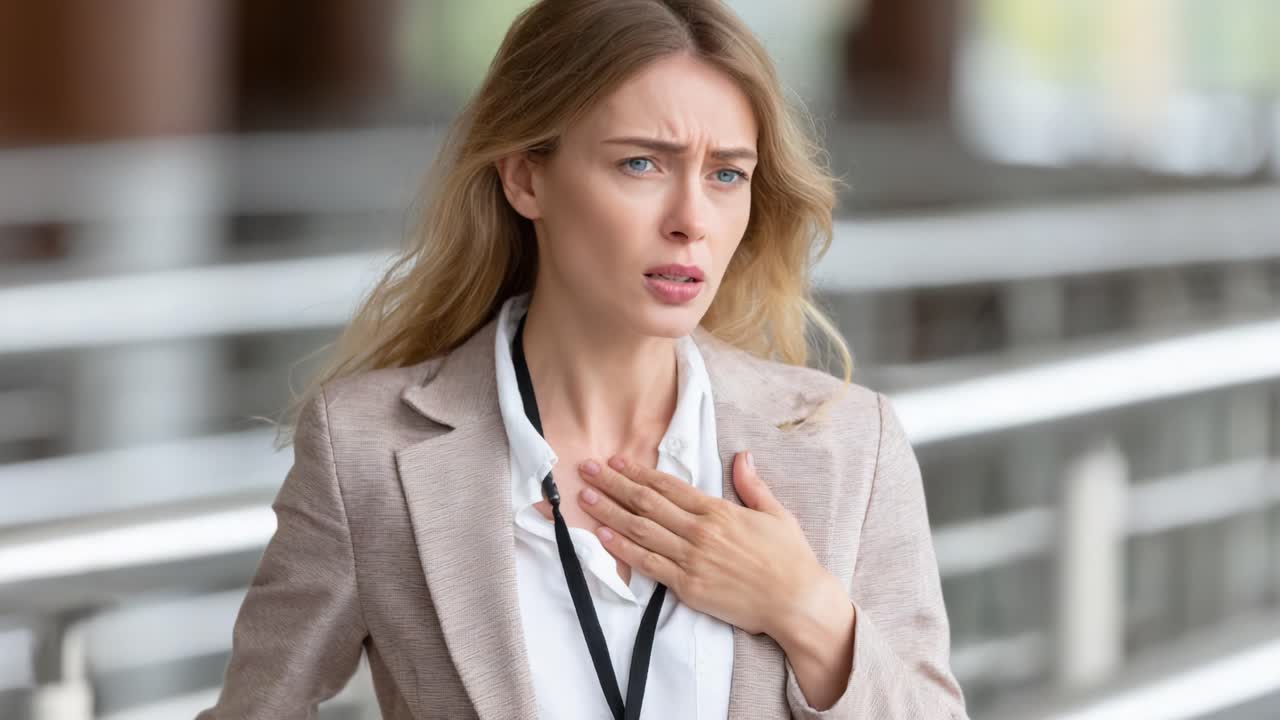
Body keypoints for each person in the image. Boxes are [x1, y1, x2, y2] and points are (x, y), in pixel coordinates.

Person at [197, 1, 968, 718]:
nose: (692, 220)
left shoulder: (848, 443)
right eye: (642, 164)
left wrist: (806, 611)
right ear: (526, 176)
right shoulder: (366, 450)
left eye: (727, 174)